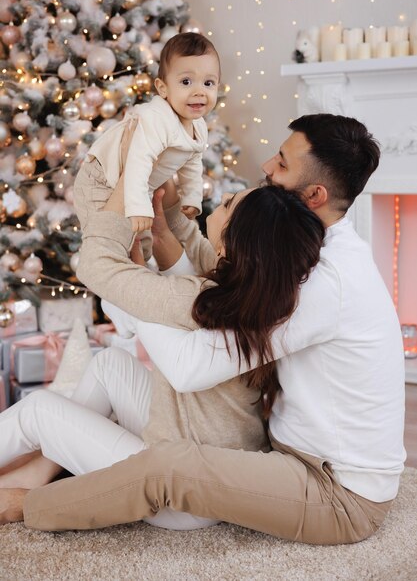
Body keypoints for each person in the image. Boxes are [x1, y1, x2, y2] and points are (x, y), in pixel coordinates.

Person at [3, 114, 406, 546]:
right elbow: (216, 280)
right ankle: (52, 463)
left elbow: (191, 364)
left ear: (314, 195)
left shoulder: (321, 282)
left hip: (336, 490)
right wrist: (166, 220)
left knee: (166, 467)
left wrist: (133, 288)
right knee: (110, 369)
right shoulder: (295, 250)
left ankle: (27, 502)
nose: (267, 165)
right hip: (287, 455)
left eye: (283, 164)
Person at [0, 183, 325, 529]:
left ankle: (45, 465)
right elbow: (172, 298)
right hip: (204, 467)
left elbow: (121, 301)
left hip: (176, 496)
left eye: (227, 204)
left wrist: (130, 269)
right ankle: (47, 466)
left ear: (232, 240)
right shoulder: (252, 297)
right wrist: (153, 248)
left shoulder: (202, 295)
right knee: (110, 365)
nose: (220, 202)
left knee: (38, 410)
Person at [74, 31, 220, 238]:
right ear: (162, 88)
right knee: (106, 236)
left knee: (142, 241)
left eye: (208, 83)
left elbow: (193, 162)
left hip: (138, 185)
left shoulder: (199, 126)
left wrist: (192, 197)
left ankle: (138, 265)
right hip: (101, 178)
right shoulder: (158, 119)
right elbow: (138, 161)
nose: (199, 91)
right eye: (186, 82)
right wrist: (138, 206)